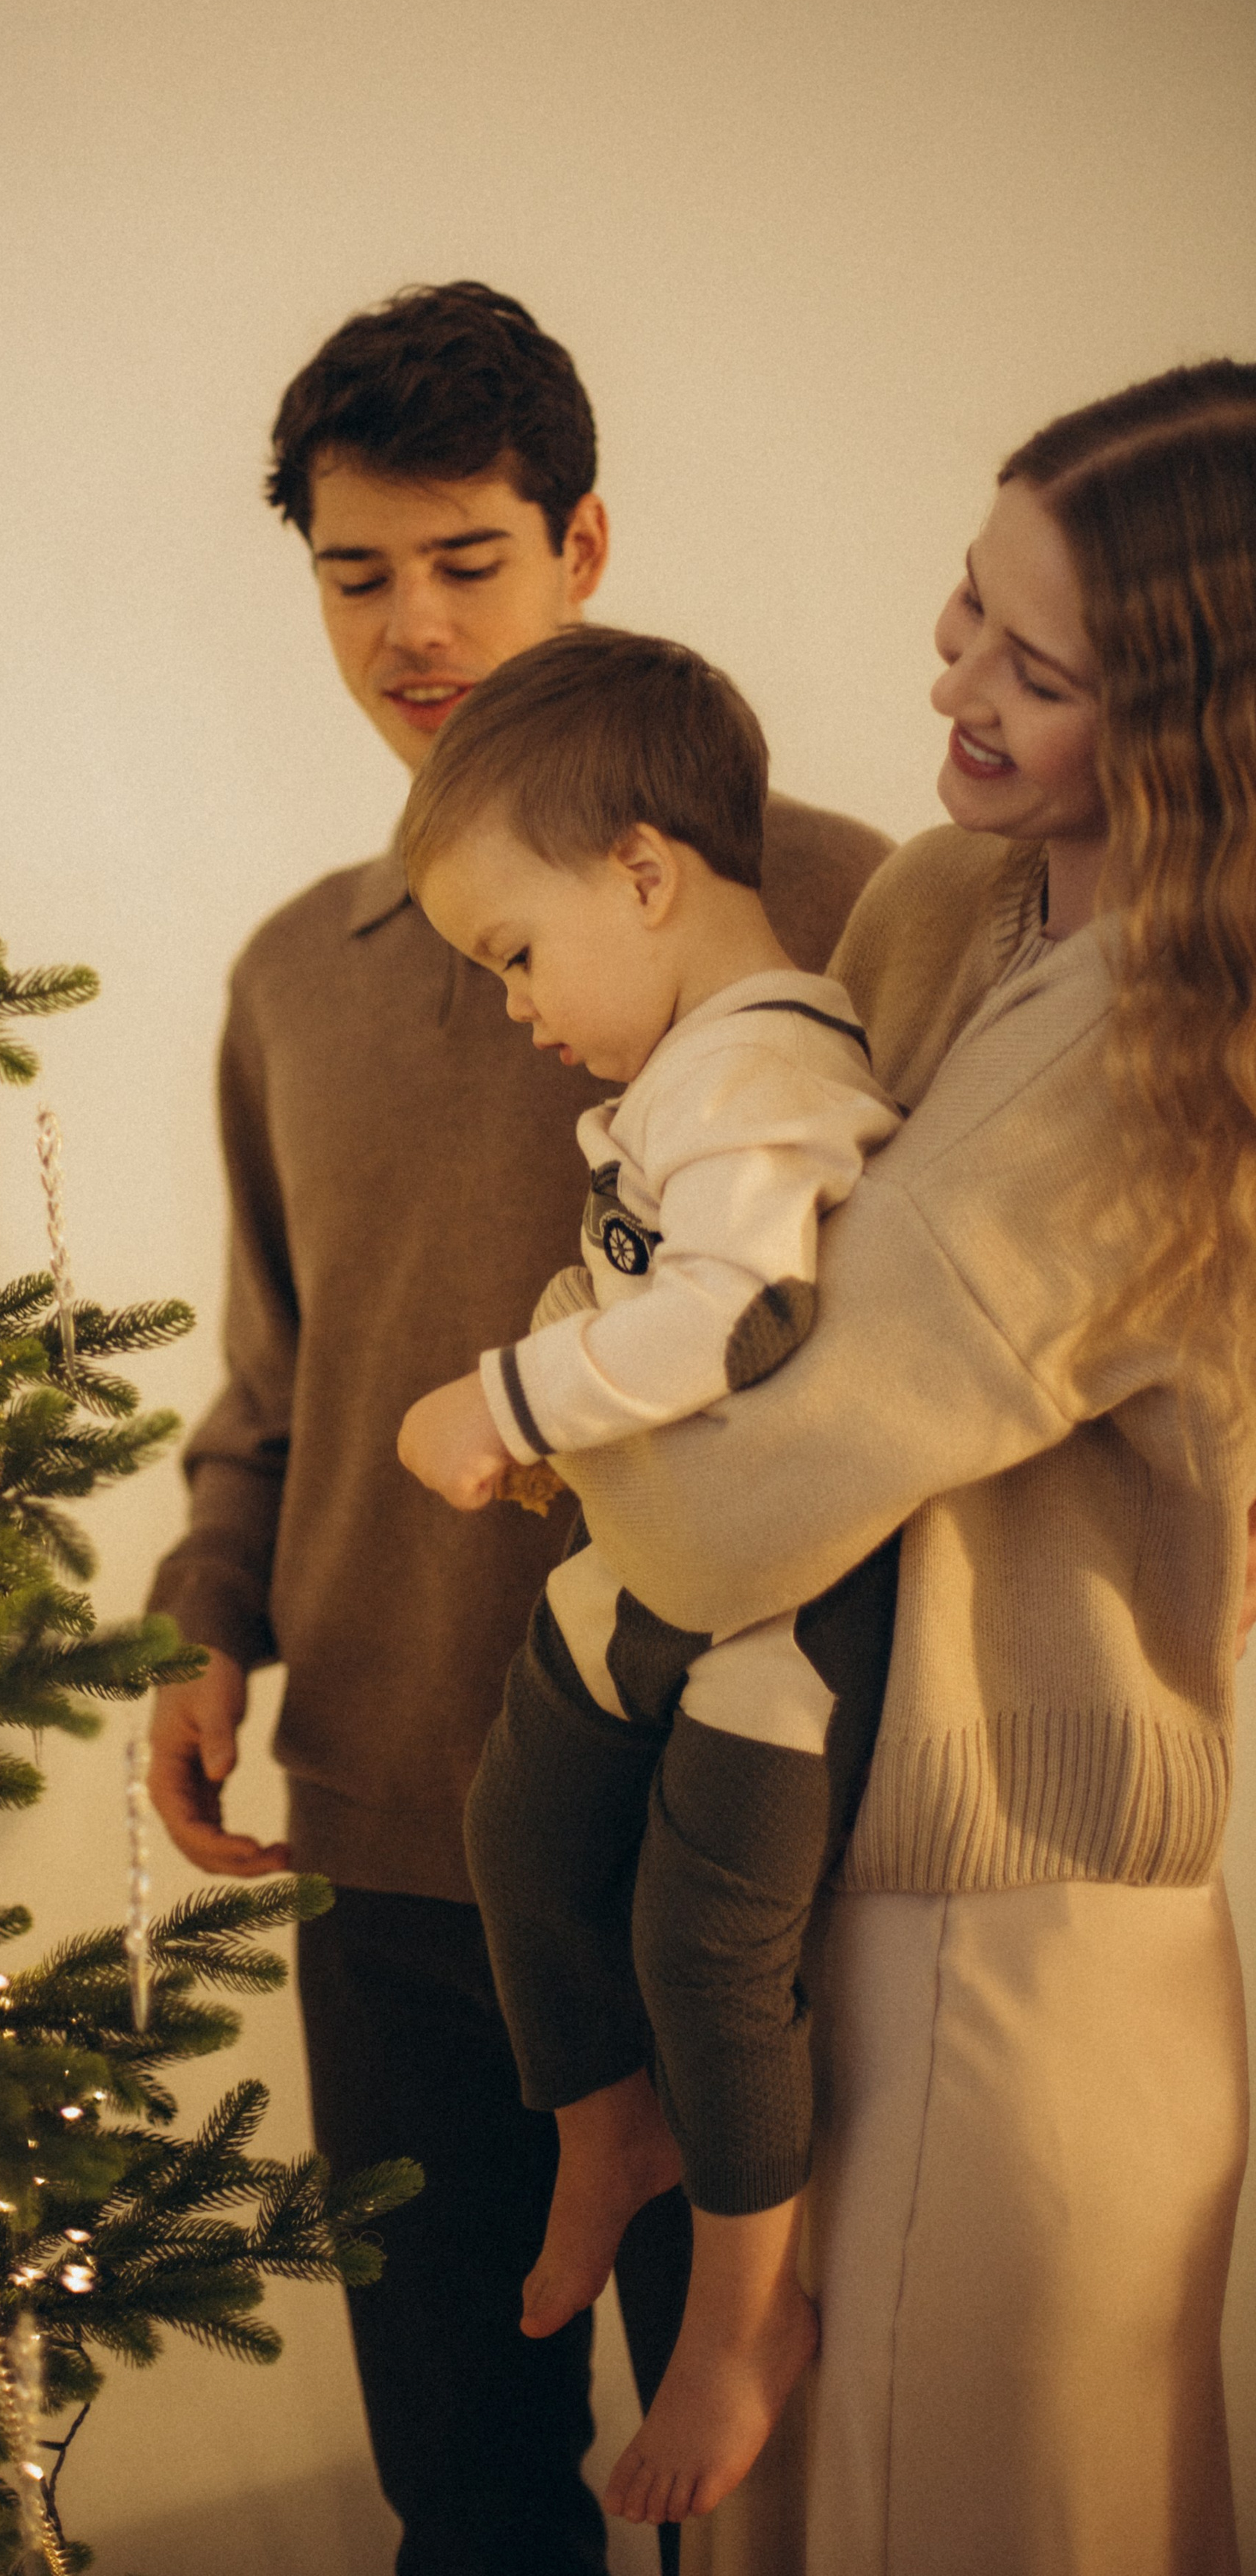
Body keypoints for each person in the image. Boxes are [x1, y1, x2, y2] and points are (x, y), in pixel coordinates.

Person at [144, 280, 892, 2576]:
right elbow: (283, 1365)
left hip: (724, 1842)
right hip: (384, 1838)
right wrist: (205, 1624)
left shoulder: (846, 914)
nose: (413, 628)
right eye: (356, 576)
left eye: (467, 559)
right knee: (463, 2487)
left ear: (582, 541)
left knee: (755, 2494)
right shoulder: (299, 971)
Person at [552, 362, 1255, 2575]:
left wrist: (560, 1395)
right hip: (843, 1855)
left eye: (1037, 670)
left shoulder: (1163, 1041)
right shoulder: (958, 896)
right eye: (971, 606)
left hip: (1004, 1914)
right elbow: (710, 1245)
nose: (947, 680)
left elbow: (747, 1483)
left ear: (1200, 727)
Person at [393, 626, 901, 2528]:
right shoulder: (694, 1072)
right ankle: (605, 2135)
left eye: (519, 955)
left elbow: (743, 1311)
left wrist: (506, 1389)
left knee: (708, 1943)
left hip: (783, 1615)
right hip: (655, 1568)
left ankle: (745, 2317)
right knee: (518, 1827)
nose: (519, 1009)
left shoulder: (764, 1067)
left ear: (645, 873)